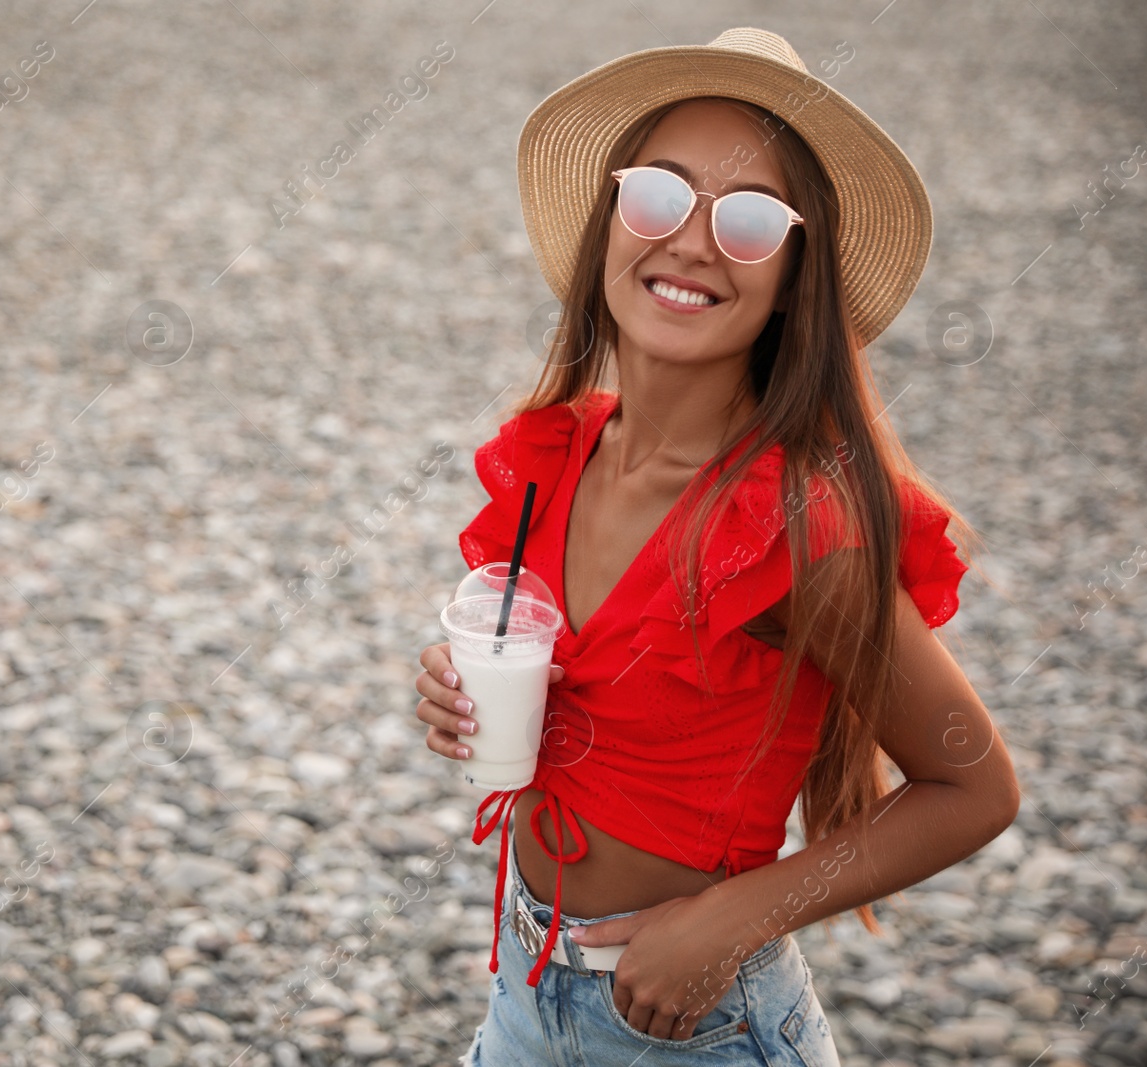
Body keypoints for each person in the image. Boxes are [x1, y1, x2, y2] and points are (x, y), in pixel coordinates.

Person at [414, 27, 1021, 1066]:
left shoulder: (793, 524)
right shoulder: (548, 462)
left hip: (697, 1028)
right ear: (611, 222)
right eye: (658, 195)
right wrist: (455, 689)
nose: (690, 242)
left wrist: (737, 915)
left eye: (746, 221)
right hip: (523, 982)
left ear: (792, 276)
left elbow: (975, 785)